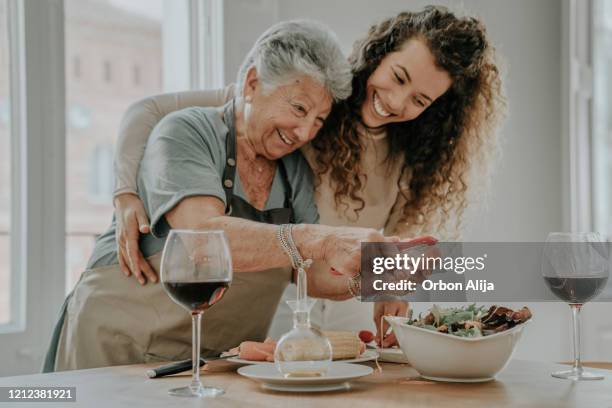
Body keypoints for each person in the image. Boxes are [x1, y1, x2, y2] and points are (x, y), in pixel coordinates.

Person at [112, 6, 505, 347]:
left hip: (342, 302)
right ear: (379, 55)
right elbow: (150, 111)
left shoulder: (416, 157)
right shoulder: (320, 98)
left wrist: (390, 280)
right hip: (277, 300)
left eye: (420, 99)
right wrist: (125, 192)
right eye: (398, 77)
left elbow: (382, 252)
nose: (397, 102)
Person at [43, 19, 399, 372]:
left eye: (319, 121)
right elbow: (201, 240)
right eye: (299, 109)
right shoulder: (185, 132)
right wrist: (317, 239)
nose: (306, 132)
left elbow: (313, 274)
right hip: (118, 346)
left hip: (210, 363)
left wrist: (377, 276)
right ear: (253, 83)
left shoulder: (295, 173)